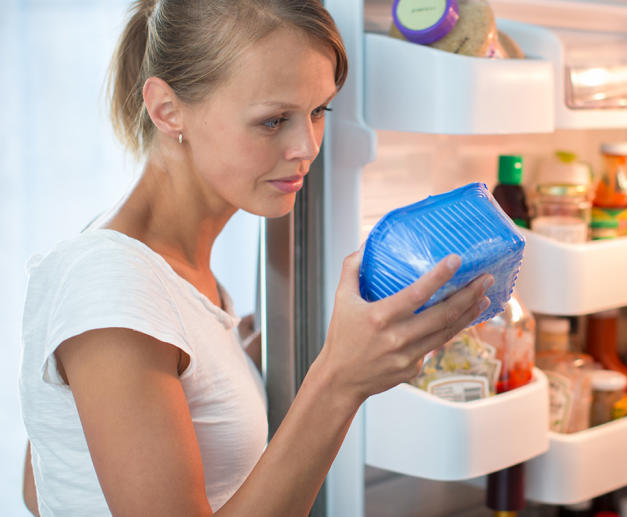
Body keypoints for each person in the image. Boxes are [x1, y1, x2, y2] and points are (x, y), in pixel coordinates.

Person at [18, 1, 493, 515]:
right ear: (167, 109)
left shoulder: (168, 272)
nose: (307, 146)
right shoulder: (110, 285)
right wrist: (340, 380)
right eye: (273, 121)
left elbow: (46, 477)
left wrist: (235, 364)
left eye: (318, 111)